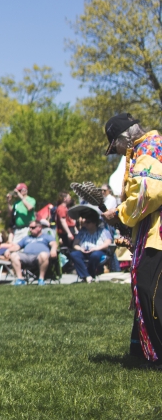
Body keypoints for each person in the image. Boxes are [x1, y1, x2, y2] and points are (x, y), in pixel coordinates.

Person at [100, 113, 162, 362]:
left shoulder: (147, 149)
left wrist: (120, 213)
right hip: (151, 230)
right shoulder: (152, 146)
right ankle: (143, 351)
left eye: (114, 145)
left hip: (157, 233)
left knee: (149, 290)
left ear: (123, 137)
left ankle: (158, 355)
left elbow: (149, 194)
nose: (115, 150)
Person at [67, 205, 112, 283]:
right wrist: (80, 249)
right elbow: (75, 244)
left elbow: (108, 243)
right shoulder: (82, 231)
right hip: (83, 251)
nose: (85, 224)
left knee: (94, 255)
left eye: (88, 222)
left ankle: (90, 274)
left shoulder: (103, 231)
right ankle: (87, 276)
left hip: (98, 251)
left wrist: (96, 248)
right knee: (74, 254)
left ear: (94, 223)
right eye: (85, 222)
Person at [5, 220, 57, 284]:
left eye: (32, 227)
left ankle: (41, 279)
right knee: (14, 255)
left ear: (40, 227)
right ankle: (20, 279)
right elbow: (17, 246)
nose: (30, 229)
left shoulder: (46, 236)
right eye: (29, 228)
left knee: (43, 254)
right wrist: (8, 250)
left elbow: (53, 243)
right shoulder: (26, 238)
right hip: (26, 256)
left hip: (39, 257)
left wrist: (53, 250)